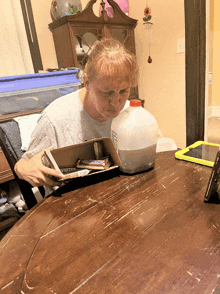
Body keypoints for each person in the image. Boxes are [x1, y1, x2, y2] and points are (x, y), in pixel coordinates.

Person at [14, 38, 139, 188]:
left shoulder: (128, 111)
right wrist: (21, 168)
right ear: (86, 82)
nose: (116, 102)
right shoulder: (54, 119)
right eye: (107, 92)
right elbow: (26, 163)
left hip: (116, 189)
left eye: (123, 91)